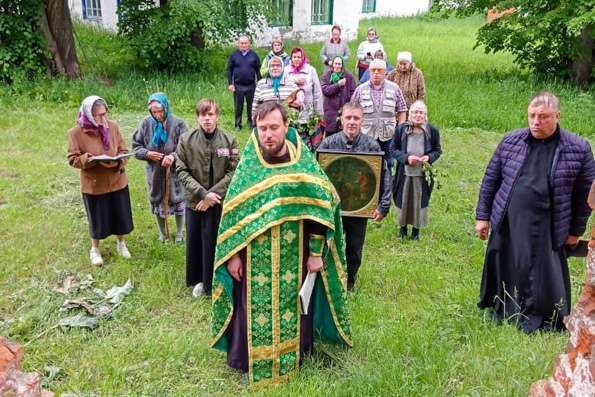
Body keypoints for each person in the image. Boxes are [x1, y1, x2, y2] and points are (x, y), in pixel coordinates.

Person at [211, 102, 351, 386]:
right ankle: (247, 360)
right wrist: (233, 256)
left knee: (295, 308)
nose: (268, 134)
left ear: (286, 127)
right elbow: (234, 218)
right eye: (262, 128)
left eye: (274, 127)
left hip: (294, 256)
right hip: (253, 261)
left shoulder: (302, 163)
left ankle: (295, 356)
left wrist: (315, 254)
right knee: (250, 308)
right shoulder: (250, 166)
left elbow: (319, 211)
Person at [475, 91, 595, 333]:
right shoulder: (511, 141)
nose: (535, 122)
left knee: (543, 276)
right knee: (507, 264)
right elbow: (491, 179)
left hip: (549, 225)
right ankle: (504, 309)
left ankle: (543, 319)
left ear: (557, 116)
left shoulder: (578, 148)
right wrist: (482, 216)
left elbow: (585, 197)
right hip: (509, 220)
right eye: (532, 116)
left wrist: (575, 231)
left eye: (543, 117)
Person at [317, 103, 391, 290]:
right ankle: (328, 279)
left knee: (354, 248)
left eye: (356, 118)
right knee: (329, 245)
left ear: (362, 121)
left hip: (360, 208)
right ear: (341, 119)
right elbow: (316, 176)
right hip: (333, 209)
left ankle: (350, 281)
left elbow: (384, 176)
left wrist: (383, 206)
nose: (352, 122)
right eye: (348, 117)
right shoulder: (328, 144)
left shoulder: (372, 146)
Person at [175, 99, 239, 297]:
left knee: (216, 240)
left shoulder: (230, 140)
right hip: (197, 202)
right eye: (203, 115)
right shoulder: (186, 140)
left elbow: (234, 170)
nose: (207, 119)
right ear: (198, 117)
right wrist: (203, 194)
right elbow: (181, 170)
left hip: (219, 202)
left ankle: (218, 278)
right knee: (196, 240)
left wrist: (213, 196)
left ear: (217, 116)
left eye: (211, 114)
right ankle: (199, 280)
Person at [67, 96, 133, 266]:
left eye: (105, 114)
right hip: (94, 184)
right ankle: (95, 249)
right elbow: (73, 159)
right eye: (98, 115)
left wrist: (120, 159)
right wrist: (88, 159)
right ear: (88, 114)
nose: (103, 119)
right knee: (97, 218)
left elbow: (123, 149)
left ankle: (121, 243)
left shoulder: (113, 126)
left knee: (120, 214)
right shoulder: (75, 133)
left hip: (116, 179)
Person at [132, 92, 188, 243]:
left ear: (166, 107)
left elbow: (186, 147)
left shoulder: (178, 124)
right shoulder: (145, 124)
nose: (157, 115)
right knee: (157, 200)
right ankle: (162, 233)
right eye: (154, 112)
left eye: (160, 111)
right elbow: (136, 147)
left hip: (175, 172)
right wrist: (147, 153)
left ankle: (179, 234)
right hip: (155, 172)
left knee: (178, 200)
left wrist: (173, 157)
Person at [390, 100, 441, 241]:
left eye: (421, 112)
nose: (418, 115)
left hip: (422, 174)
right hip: (404, 173)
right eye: (415, 112)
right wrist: (406, 158)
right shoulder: (401, 130)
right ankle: (402, 229)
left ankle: (416, 231)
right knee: (404, 199)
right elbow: (393, 149)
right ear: (409, 114)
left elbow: (437, 151)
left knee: (419, 200)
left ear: (425, 115)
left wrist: (428, 158)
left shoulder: (432, 131)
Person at [351, 59, 407, 173]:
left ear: (385, 72)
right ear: (369, 72)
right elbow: (352, 111)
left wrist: (399, 130)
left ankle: (387, 189)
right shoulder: (360, 89)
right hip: (366, 134)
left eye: (379, 70)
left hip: (389, 135)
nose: (376, 73)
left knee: (389, 164)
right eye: (373, 70)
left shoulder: (395, 88)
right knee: (365, 164)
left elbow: (402, 110)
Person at [284, 47, 324, 150]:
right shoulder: (286, 71)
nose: (296, 59)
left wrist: (319, 113)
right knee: (292, 143)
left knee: (307, 144)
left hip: (308, 113)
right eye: (294, 57)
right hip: (291, 112)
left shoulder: (311, 71)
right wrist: (294, 81)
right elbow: (283, 88)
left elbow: (317, 93)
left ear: (303, 58)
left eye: (299, 57)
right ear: (291, 58)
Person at [227, 35, 261, 130]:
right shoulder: (234, 55)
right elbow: (229, 70)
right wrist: (230, 84)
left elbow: (258, 70)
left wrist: (260, 83)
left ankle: (251, 123)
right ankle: (238, 124)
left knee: (252, 106)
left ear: (249, 44)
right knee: (238, 106)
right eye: (242, 43)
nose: (244, 45)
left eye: (245, 43)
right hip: (238, 86)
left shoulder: (254, 55)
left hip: (251, 85)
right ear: (238, 44)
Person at [321, 56, 357, 137]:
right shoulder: (326, 76)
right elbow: (325, 90)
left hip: (344, 111)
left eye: (339, 64)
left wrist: (349, 105)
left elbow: (353, 92)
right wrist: (338, 85)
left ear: (342, 65)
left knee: (344, 136)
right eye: (335, 64)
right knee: (330, 136)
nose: (337, 66)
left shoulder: (348, 76)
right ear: (332, 64)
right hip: (330, 111)